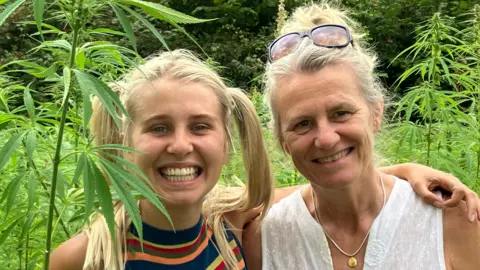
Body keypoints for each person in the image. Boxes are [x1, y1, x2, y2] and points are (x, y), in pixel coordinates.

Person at [50, 49, 478, 270]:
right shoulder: (88, 257)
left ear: (226, 141)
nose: (180, 145)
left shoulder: (229, 230)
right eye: (158, 128)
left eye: (200, 127)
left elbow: (334, 180)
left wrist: (403, 173)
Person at [243, 3, 480, 270]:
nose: (327, 139)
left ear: (375, 113)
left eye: (341, 113)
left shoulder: (451, 219)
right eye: (303, 123)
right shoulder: (265, 239)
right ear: (283, 141)